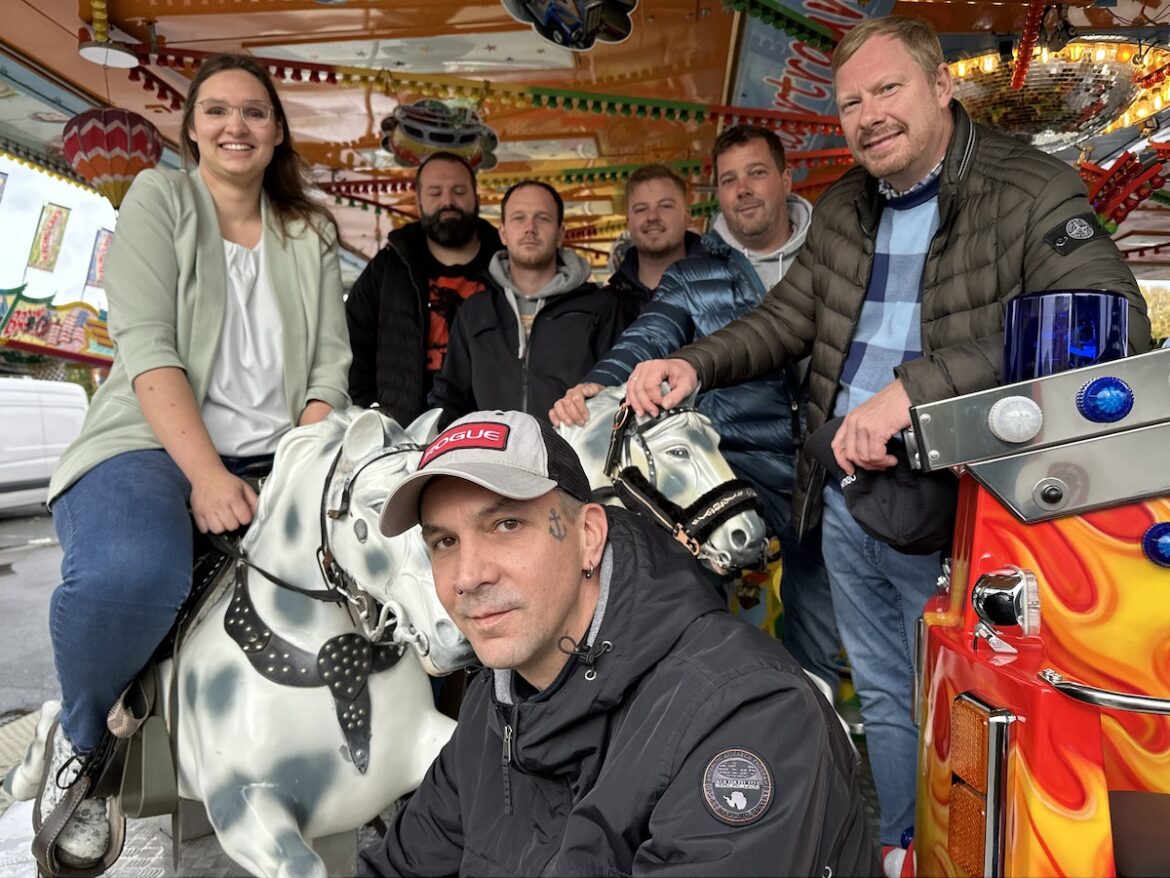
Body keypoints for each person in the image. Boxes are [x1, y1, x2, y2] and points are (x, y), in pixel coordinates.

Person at [618, 16, 1150, 872]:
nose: (867, 115)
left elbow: (1111, 322)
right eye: (851, 102)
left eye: (887, 90)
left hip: (968, 507)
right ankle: (906, 847)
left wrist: (918, 389)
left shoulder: (1030, 187)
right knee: (893, 703)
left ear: (941, 86)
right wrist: (692, 363)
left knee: (970, 702)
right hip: (849, 493)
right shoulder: (844, 207)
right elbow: (786, 319)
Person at [35, 54, 351, 871]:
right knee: (132, 577)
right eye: (215, 111)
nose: (234, 127)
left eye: (253, 112)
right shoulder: (160, 199)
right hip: (147, 442)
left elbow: (327, 371)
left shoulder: (308, 230)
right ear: (192, 128)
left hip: (278, 451)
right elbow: (147, 347)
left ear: (278, 131)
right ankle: (86, 751)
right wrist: (208, 476)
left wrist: (301, 463)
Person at [359, 410, 878, 877]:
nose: (467, 576)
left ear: (588, 536)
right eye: (444, 542)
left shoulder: (747, 711)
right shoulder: (495, 699)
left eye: (506, 523)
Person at [550, 125, 841, 696]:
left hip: (834, 468)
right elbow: (649, 338)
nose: (744, 190)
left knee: (824, 637)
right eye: (729, 180)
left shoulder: (832, 256)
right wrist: (596, 385)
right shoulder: (695, 274)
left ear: (786, 179)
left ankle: (820, 740)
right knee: (709, 617)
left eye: (756, 173)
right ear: (716, 196)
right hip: (743, 468)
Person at [428, 180, 625, 426]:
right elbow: (449, 396)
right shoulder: (475, 311)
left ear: (560, 233)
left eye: (542, 218)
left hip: (574, 458)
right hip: (491, 458)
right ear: (503, 232)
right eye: (519, 218)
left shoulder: (601, 307)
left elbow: (617, 388)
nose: (530, 228)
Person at [345, 151, 502, 424]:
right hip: (405, 432)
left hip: (492, 424)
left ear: (477, 196)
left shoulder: (506, 263)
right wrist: (372, 413)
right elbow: (351, 345)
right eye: (435, 192)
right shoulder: (389, 268)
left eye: (459, 191)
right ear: (418, 201)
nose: (448, 201)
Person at [606, 163, 704, 324]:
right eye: (641, 209)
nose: (652, 217)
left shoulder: (726, 287)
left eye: (665, 206)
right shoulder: (606, 309)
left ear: (687, 217)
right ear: (628, 222)